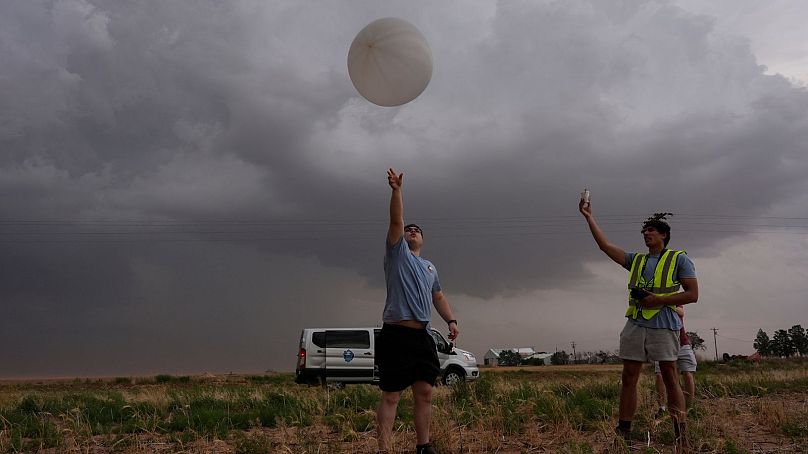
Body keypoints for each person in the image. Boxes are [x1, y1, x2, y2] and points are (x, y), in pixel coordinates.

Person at [579, 198, 698, 449]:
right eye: (644, 232)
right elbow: (605, 246)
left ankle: (681, 435)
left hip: (665, 324)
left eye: (651, 231)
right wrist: (589, 217)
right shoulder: (636, 260)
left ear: (664, 235)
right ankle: (624, 433)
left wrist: (658, 300)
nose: (646, 234)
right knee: (628, 376)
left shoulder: (679, 259)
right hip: (635, 323)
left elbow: (692, 294)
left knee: (670, 377)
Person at [376, 168, 460, 454]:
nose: (412, 230)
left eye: (417, 230)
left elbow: (438, 296)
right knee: (392, 395)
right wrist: (397, 190)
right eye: (409, 229)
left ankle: (423, 447)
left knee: (424, 392)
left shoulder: (430, 267)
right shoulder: (396, 252)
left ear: (423, 240)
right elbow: (396, 219)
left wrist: (451, 319)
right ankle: (385, 449)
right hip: (396, 333)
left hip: (422, 336)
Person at [654, 306, 697, 416]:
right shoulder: (655, 301)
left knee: (688, 374)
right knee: (659, 375)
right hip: (663, 344)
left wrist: (664, 303)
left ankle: (689, 407)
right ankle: (662, 408)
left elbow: (681, 312)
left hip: (682, 343)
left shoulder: (674, 298)